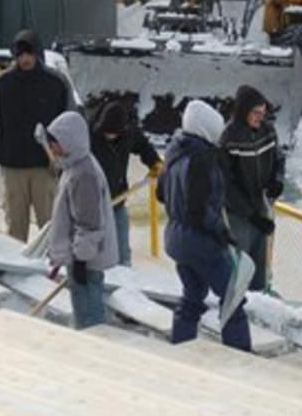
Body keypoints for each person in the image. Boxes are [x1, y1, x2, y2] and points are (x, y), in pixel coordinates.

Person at [160, 100, 252, 352]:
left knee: (192, 296)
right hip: (200, 243)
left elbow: (161, 193)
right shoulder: (201, 160)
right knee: (233, 299)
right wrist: (222, 233)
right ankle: (240, 355)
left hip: (176, 238)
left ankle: (181, 346)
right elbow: (199, 210)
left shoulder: (174, 153)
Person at [0, 29, 71, 243]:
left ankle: (52, 267)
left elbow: (70, 122)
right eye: (19, 54)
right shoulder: (3, 83)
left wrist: (66, 156)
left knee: (50, 224)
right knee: (16, 225)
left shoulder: (56, 83)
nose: (24, 59)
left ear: (37, 54)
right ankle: (17, 267)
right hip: (13, 165)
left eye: (28, 53)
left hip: (45, 165)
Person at [44, 111, 118, 329]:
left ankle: (94, 348)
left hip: (86, 259)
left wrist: (80, 259)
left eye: (54, 143)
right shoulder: (72, 166)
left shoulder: (83, 174)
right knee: (83, 308)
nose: (51, 148)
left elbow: (88, 223)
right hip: (80, 255)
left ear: (69, 141)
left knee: (89, 315)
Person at [220, 85, 285, 293]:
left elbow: (278, 159)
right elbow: (226, 185)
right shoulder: (229, 138)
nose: (260, 118)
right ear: (244, 111)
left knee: (261, 261)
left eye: (263, 113)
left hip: (262, 207)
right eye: (256, 113)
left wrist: (277, 181)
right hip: (239, 214)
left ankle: (260, 296)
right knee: (240, 263)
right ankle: (238, 300)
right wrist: (250, 214)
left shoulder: (268, 131)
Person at [89, 101, 161, 267]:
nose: (110, 136)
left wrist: (155, 163)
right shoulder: (88, 133)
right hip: (92, 204)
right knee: (92, 253)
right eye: (107, 133)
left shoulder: (129, 132)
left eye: (114, 134)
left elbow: (143, 146)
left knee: (122, 253)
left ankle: (124, 276)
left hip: (117, 199)